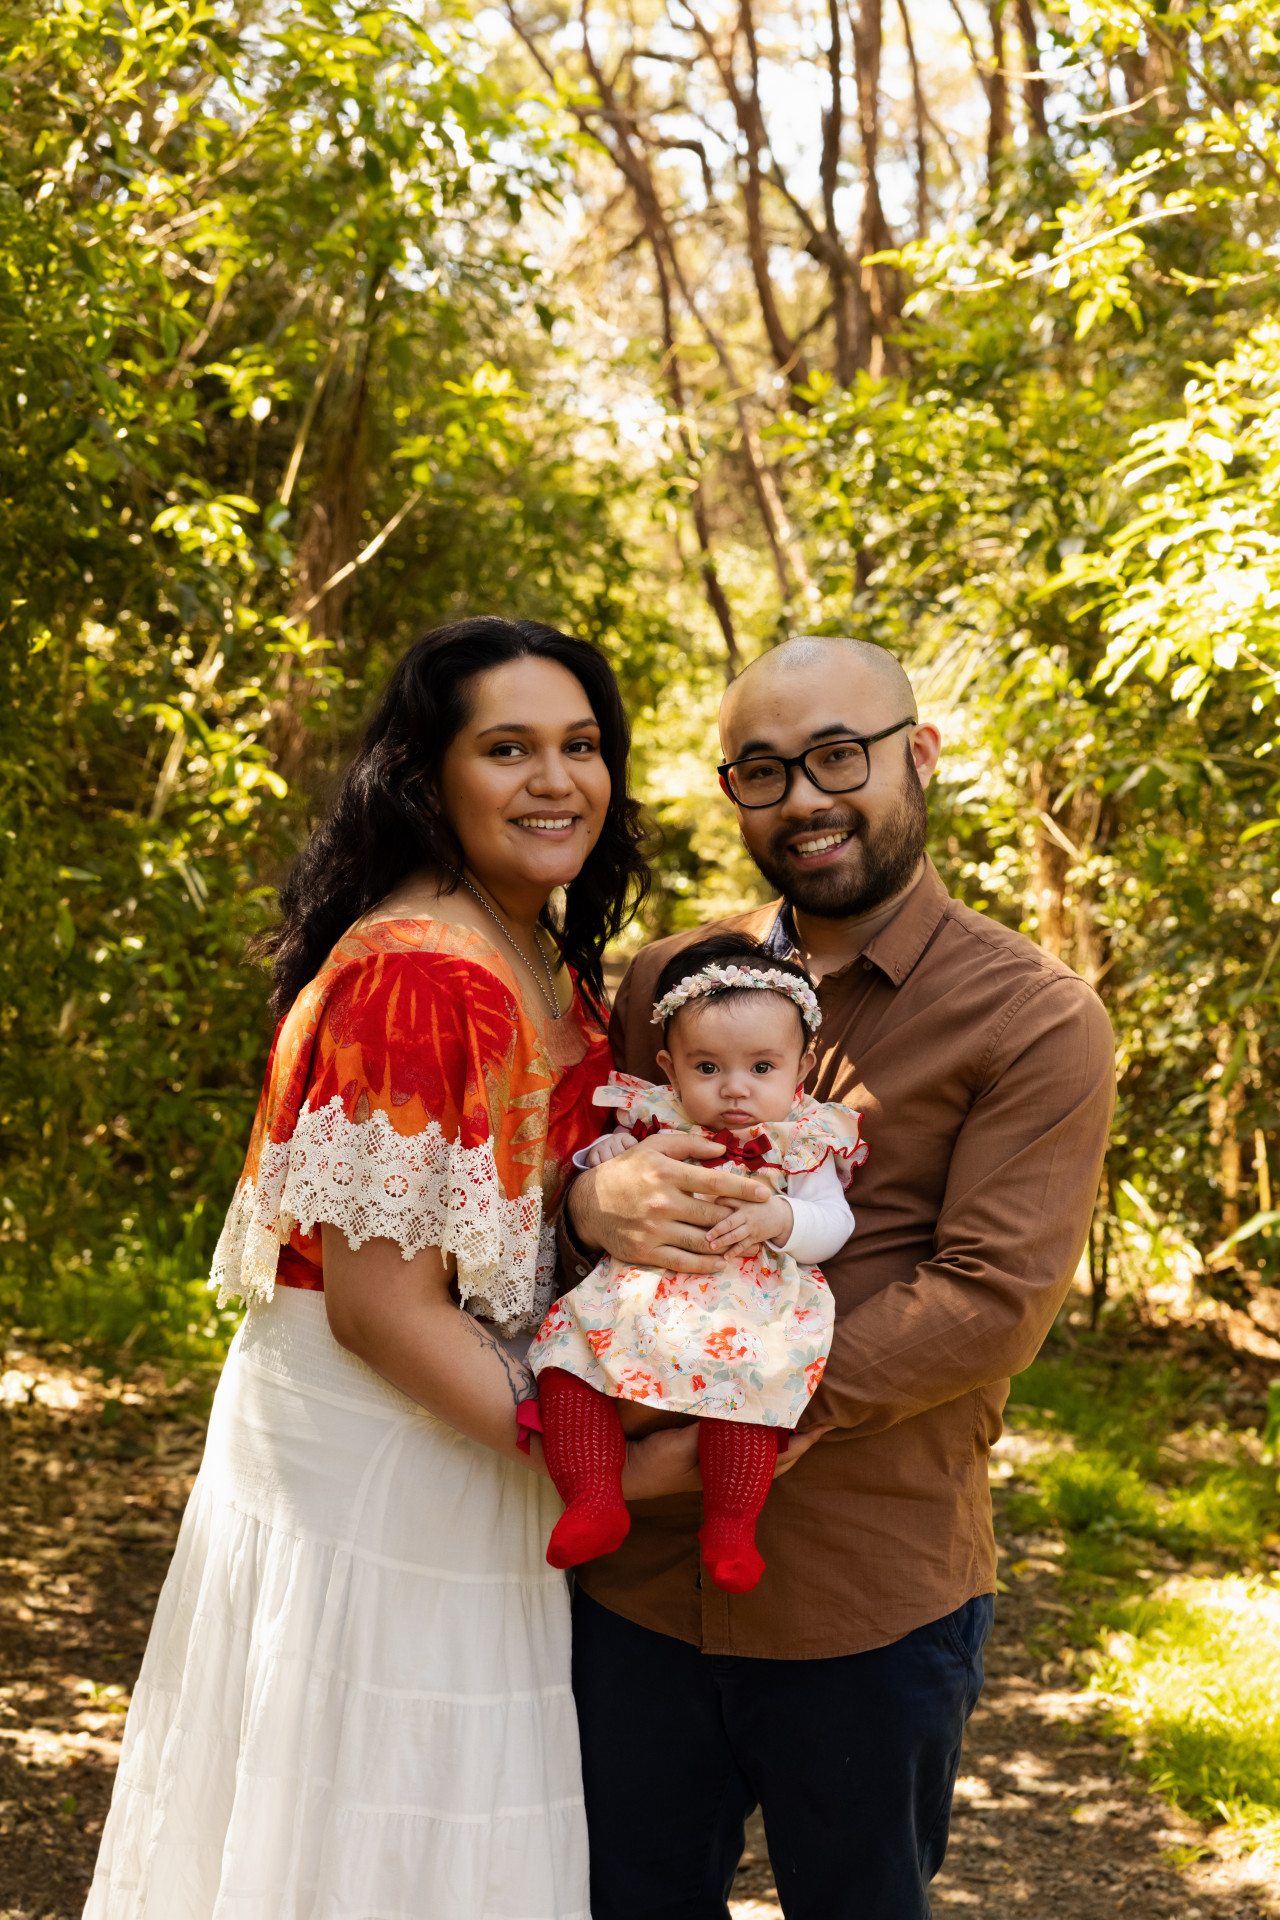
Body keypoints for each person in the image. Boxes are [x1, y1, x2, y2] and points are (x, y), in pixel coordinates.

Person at [84, 616, 708, 1920]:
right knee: (368, 1822)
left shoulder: (535, 950)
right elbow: (377, 1311)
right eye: (508, 748)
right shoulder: (422, 974)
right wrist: (613, 1464)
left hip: (477, 1425)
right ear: (430, 777)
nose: (557, 780)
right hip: (384, 1453)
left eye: (583, 746)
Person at [557, 636, 1116, 1920]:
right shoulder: (663, 980)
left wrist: (735, 1423)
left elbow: (989, 1299)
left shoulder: (1029, 1017)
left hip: (864, 1588)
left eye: (836, 756)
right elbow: (579, 1189)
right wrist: (592, 1197)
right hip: (633, 1582)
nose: (803, 796)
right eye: (763, 770)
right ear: (733, 795)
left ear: (916, 756)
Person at [529, 932, 866, 1593]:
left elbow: (836, 1222)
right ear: (670, 1065)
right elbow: (605, 1171)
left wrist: (784, 1220)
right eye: (707, 1068)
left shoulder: (802, 1141)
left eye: (761, 1068)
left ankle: (731, 1528)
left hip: (746, 1304)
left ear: (801, 1069)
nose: (735, 1089)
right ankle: (594, 1498)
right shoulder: (654, 1120)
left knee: (745, 1395)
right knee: (568, 1365)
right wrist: (605, 1165)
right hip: (639, 1292)